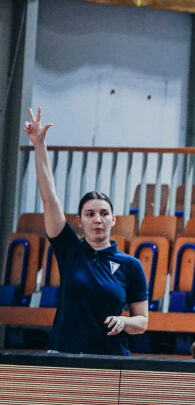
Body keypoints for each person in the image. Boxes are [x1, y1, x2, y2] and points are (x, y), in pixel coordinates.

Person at [24, 107, 149, 355]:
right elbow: (49, 197)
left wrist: (124, 321)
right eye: (90, 214)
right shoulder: (69, 249)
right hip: (65, 353)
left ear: (113, 220)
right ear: (79, 221)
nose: (97, 220)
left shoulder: (131, 265)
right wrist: (39, 145)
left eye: (104, 214)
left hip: (109, 359)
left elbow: (142, 322)